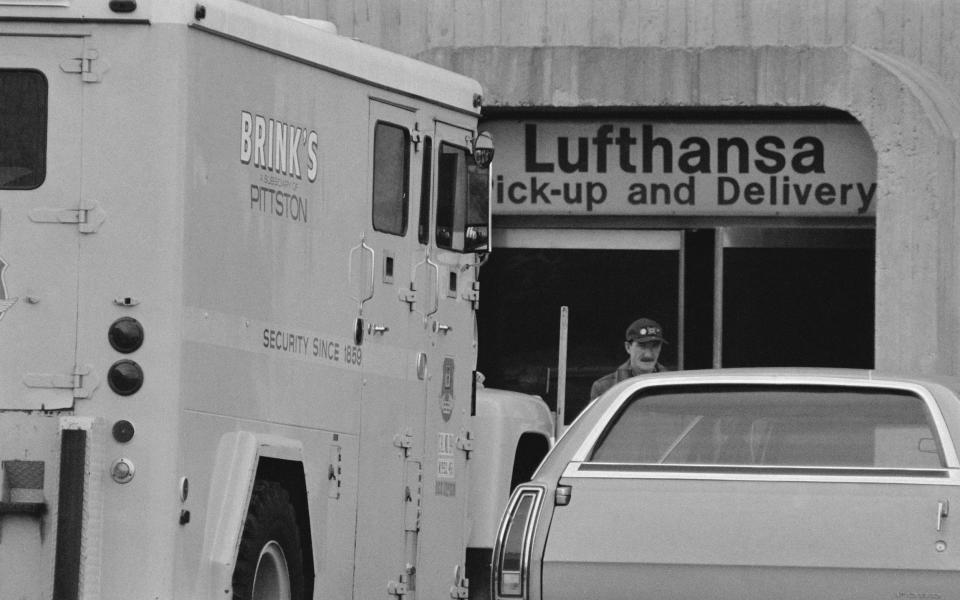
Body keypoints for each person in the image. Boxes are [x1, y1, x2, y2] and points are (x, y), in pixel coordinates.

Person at [590, 317, 670, 399]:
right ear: (628, 347)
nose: (648, 354)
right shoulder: (604, 388)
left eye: (655, 346)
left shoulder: (673, 384)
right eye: (642, 346)